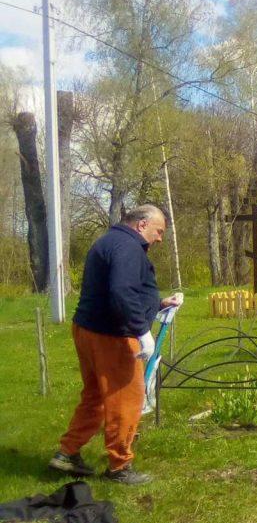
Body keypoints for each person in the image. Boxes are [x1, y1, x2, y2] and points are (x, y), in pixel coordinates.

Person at [48, 205, 182, 485]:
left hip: (88, 328)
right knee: (126, 398)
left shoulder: (109, 241)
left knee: (95, 395)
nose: (159, 238)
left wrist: (157, 304)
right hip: (112, 335)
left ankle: (67, 453)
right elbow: (121, 292)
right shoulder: (128, 247)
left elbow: (117, 291)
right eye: (158, 231)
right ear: (142, 224)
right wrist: (141, 331)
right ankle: (119, 466)